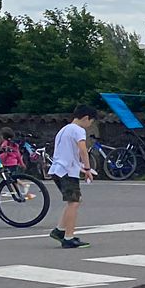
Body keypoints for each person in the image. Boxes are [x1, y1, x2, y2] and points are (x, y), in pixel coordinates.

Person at [47, 104, 98, 249]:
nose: (90, 125)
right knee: (74, 203)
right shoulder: (78, 130)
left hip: (58, 169)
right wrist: (87, 167)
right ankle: (68, 237)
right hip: (67, 172)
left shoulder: (64, 129)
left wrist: (81, 168)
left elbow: (66, 153)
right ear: (86, 118)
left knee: (74, 200)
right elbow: (82, 149)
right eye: (91, 122)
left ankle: (60, 230)